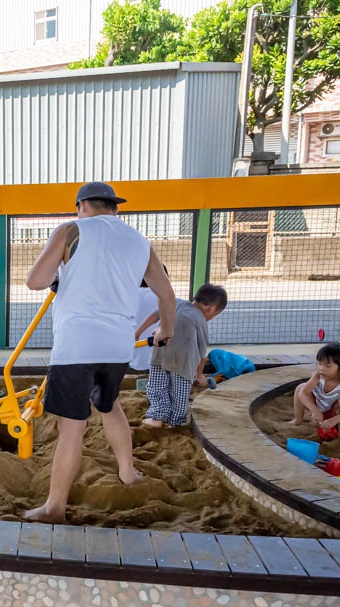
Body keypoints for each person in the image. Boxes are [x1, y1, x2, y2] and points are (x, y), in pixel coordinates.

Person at [23, 181, 176, 524]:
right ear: (115, 208)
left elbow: (35, 281)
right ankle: (128, 473)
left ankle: (54, 508)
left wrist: (60, 273)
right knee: (110, 405)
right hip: (117, 346)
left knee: (72, 429)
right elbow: (166, 294)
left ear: (82, 206)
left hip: (76, 345)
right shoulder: (139, 241)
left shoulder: (70, 230)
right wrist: (165, 330)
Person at [141, 284, 228, 428]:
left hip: (161, 356)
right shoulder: (200, 318)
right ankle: (176, 422)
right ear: (212, 309)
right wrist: (199, 375)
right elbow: (202, 351)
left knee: (157, 386)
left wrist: (138, 332)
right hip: (184, 364)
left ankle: (157, 417)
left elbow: (155, 315)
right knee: (179, 393)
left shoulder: (176, 303)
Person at [288, 342, 340, 442]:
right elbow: (303, 393)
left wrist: (334, 420)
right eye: (319, 364)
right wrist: (314, 410)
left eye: (328, 366)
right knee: (301, 388)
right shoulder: (318, 376)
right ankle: (298, 419)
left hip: (334, 411)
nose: (321, 368)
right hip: (316, 405)